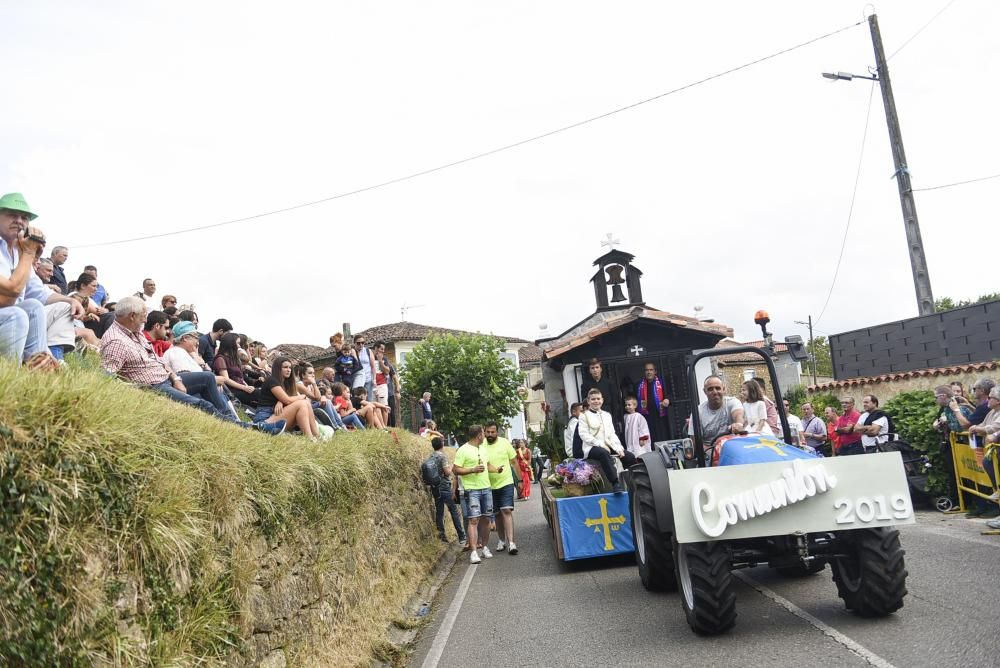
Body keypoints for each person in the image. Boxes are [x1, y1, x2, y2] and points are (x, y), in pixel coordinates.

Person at [99, 296, 282, 433]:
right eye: (144, 316)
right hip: (153, 386)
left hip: (167, 379)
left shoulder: (135, 332)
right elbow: (107, 379)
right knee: (203, 405)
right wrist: (142, 392)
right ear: (132, 316)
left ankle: (233, 423)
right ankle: (247, 429)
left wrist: (175, 378)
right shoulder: (116, 341)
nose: (146, 320)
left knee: (207, 378)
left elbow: (158, 361)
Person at [0, 193, 83, 364]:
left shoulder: (18, 252)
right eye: (11, 214)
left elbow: (39, 293)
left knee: (33, 306)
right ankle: (10, 373)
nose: (19, 221)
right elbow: (9, 294)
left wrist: (70, 300)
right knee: (16, 314)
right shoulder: (24, 252)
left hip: (8, 321)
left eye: (24, 217)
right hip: (9, 317)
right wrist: (30, 253)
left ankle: (38, 364)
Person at [576, 389, 635, 493]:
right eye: (593, 399)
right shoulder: (583, 416)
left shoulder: (607, 415)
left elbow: (612, 434)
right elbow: (584, 435)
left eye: (598, 399)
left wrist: (619, 448)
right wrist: (599, 444)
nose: (596, 401)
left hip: (609, 445)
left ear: (602, 400)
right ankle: (615, 483)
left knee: (629, 456)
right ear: (588, 401)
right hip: (591, 447)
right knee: (603, 453)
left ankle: (631, 481)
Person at [452, 425, 495, 564]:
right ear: (479, 435)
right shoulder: (463, 450)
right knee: (473, 520)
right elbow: (455, 469)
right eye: (483, 433)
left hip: (486, 488)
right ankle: (474, 552)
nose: (485, 435)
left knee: (487, 520)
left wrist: (497, 470)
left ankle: (485, 547)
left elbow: (487, 465)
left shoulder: (483, 448)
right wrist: (472, 470)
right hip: (472, 490)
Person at [260, 356, 319, 439]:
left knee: (305, 403)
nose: (289, 370)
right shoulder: (272, 380)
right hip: (265, 419)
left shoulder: (286, 384)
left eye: (290, 368)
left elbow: (287, 399)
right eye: (285, 367)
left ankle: (316, 435)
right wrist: (302, 396)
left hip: (277, 416)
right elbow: (287, 400)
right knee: (302, 403)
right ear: (278, 368)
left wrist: (280, 401)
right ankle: (310, 438)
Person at [483, 422, 519, 555]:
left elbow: (514, 462)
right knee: (497, 514)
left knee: (506, 510)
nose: (490, 434)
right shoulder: (481, 445)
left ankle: (511, 543)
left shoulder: (504, 443)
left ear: (497, 432)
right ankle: (501, 540)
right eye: (488, 432)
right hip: (489, 484)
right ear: (484, 431)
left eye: (493, 432)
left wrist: (519, 480)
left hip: (506, 482)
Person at [429, 436, 467, 544]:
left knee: (439, 512)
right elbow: (447, 472)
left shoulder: (431, 456)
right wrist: (451, 466)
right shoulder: (442, 457)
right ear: (441, 445)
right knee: (453, 511)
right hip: (444, 487)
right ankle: (462, 536)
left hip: (435, 487)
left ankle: (441, 536)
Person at [690, 375, 746, 446]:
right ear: (705, 391)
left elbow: (738, 414)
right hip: (710, 450)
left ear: (724, 389)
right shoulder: (698, 412)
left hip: (733, 447)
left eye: (718, 388)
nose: (715, 392)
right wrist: (711, 453)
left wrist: (738, 424)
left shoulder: (732, 402)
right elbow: (695, 442)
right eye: (710, 389)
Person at [213, 332, 259, 408]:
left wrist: (247, 386)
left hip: (241, 388)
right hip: (233, 391)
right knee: (264, 393)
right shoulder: (220, 359)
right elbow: (226, 379)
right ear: (231, 343)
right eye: (237, 343)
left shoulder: (233, 358)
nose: (239, 346)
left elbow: (240, 377)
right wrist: (244, 388)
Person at [296, 362, 346, 430]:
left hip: (311, 407)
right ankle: (335, 426)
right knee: (327, 402)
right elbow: (316, 398)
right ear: (303, 375)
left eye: (313, 373)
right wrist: (314, 384)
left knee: (327, 401)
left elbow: (318, 398)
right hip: (305, 409)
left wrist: (322, 397)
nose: (313, 375)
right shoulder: (299, 385)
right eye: (310, 373)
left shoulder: (310, 385)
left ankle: (341, 425)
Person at [636, 362, 670, 444]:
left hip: (660, 415)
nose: (649, 372)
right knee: (650, 438)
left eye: (651, 370)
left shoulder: (661, 383)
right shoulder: (639, 385)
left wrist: (668, 400)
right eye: (647, 370)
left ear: (655, 371)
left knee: (662, 437)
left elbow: (669, 395)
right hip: (646, 416)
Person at [580, 358, 618, 425]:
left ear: (601, 369)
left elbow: (615, 401)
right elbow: (585, 402)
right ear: (589, 370)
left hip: (608, 412)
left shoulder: (610, 383)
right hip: (593, 415)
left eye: (597, 367)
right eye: (592, 368)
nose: (595, 370)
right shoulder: (585, 385)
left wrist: (614, 418)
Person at [353, 334, 377, 401]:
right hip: (358, 379)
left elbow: (373, 367)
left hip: (368, 379)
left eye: (363, 343)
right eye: (358, 343)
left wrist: (374, 379)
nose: (361, 344)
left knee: (369, 400)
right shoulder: (352, 351)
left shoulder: (368, 351)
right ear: (354, 343)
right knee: (358, 400)